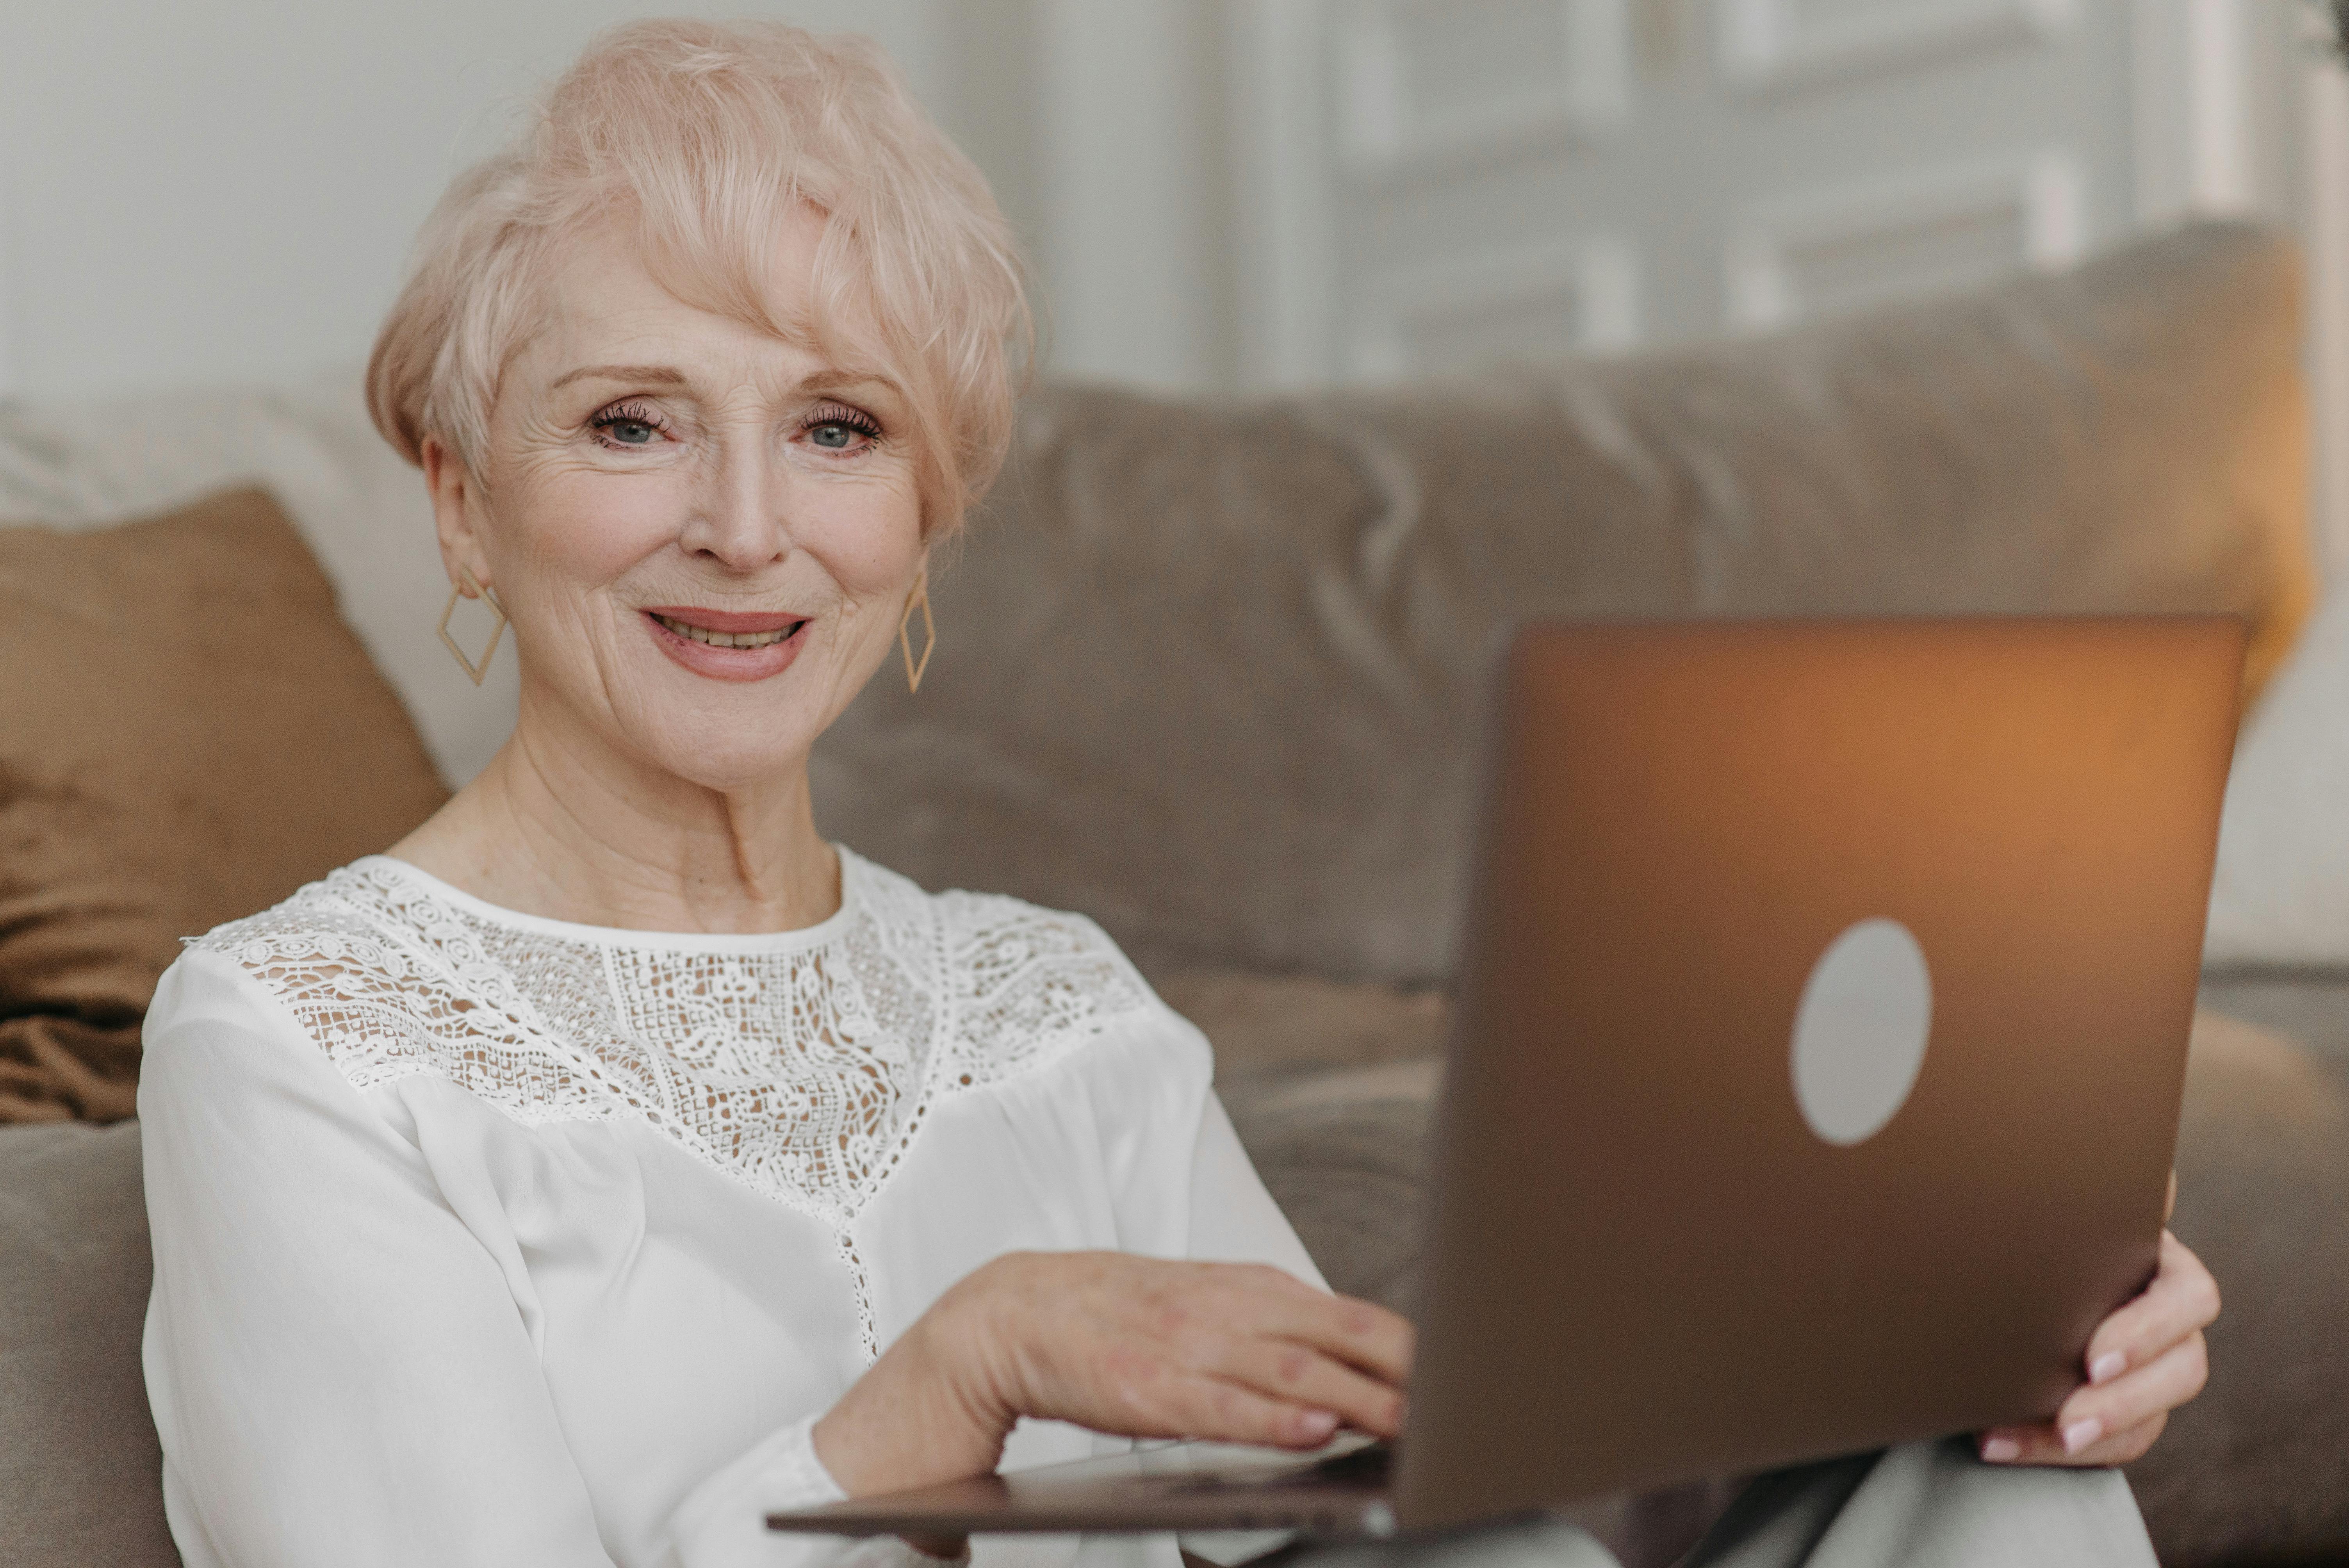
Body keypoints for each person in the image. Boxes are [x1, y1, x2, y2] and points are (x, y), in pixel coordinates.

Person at [135, 20, 2218, 1568]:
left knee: (2005, 1463)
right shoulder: (306, 1044)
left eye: (841, 430)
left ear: (925, 513)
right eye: (633, 425)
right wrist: (956, 1377)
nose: (749, 527)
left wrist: (1984, 1313)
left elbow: (1350, 1514)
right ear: (462, 503)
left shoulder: (1054, 1003)